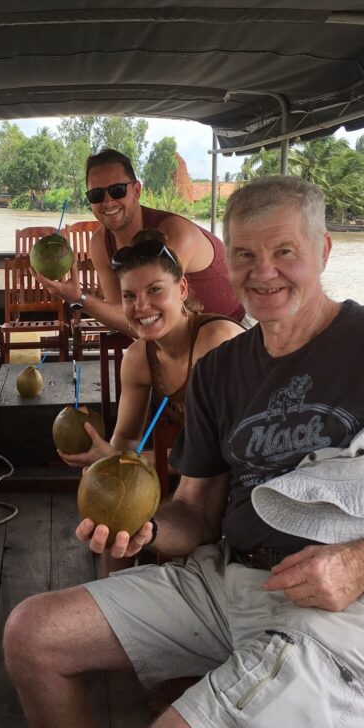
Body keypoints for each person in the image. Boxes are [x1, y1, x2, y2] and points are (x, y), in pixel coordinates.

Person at [4, 175, 364, 728]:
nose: (262, 271)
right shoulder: (220, 370)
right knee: (33, 634)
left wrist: (360, 564)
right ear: (226, 263)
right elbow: (195, 514)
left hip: (359, 609)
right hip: (231, 579)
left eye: (284, 252)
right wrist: (147, 528)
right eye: (245, 254)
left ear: (322, 251)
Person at [58, 229, 244, 574]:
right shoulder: (139, 358)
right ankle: (112, 593)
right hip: (193, 471)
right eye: (129, 296)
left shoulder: (217, 344)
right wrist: (108, 465)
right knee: (114, 518)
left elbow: (223, 455)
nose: (141, 307)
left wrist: (127, 458)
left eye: (155, 290)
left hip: (241, 476)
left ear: (183, 290)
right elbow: (126, 440)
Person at [35, 148, 245, 335]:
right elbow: (127, 319)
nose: (108, 202)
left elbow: (152, 315)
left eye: (118, 190)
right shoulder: (100, 243)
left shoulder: (175, 234)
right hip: (182, 337)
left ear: (136, 190)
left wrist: (79, 299)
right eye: (97, 194)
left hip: (236, 328)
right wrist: (76, 296)